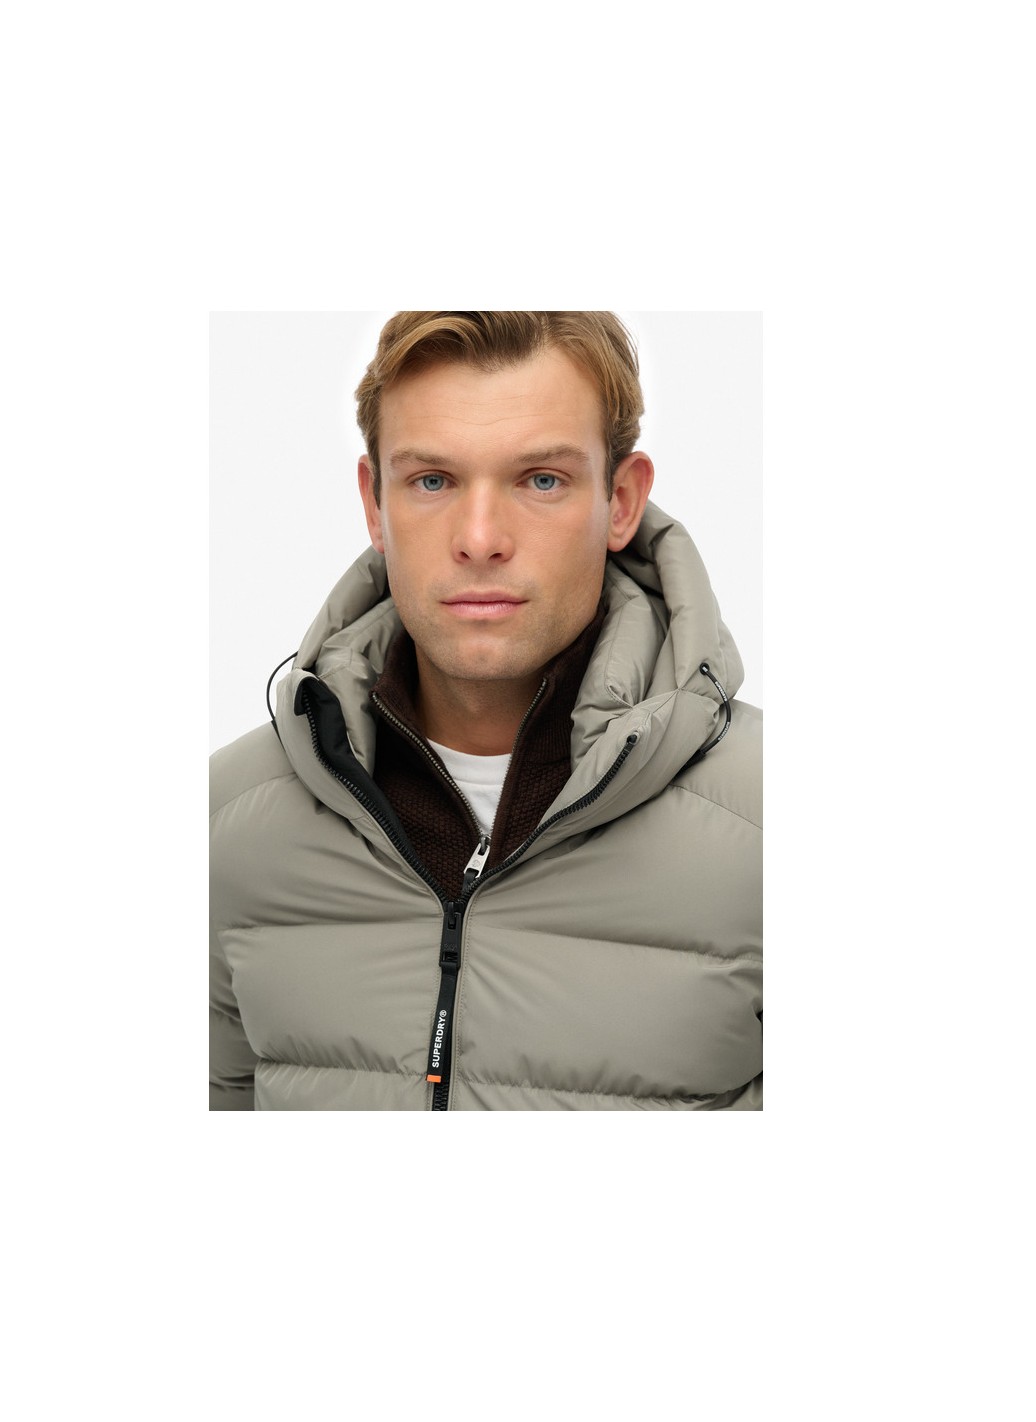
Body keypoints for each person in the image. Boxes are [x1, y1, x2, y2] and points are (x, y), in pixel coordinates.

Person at [210, 311, 762, 1111]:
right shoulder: (227, 826)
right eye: (432, 481)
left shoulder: (768, 826)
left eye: (541, 480)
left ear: (621, 501)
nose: (479, 538)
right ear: (375, 503)